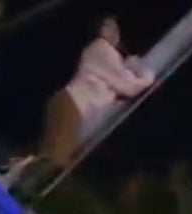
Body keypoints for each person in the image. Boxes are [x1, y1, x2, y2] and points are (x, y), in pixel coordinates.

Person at [22, 15, 154, 192]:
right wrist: (144, 72)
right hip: (72, 104)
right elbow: (129, 86)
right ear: (99, 30)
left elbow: (118, 79)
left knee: (48, 154)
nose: (114, 32)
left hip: (70, 104)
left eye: (115, 27)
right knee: (55, 158)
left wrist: (128, 67)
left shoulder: (106, 55)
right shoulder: (102, 49)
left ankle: (13, 180)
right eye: (108, 26)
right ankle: (18, 186)